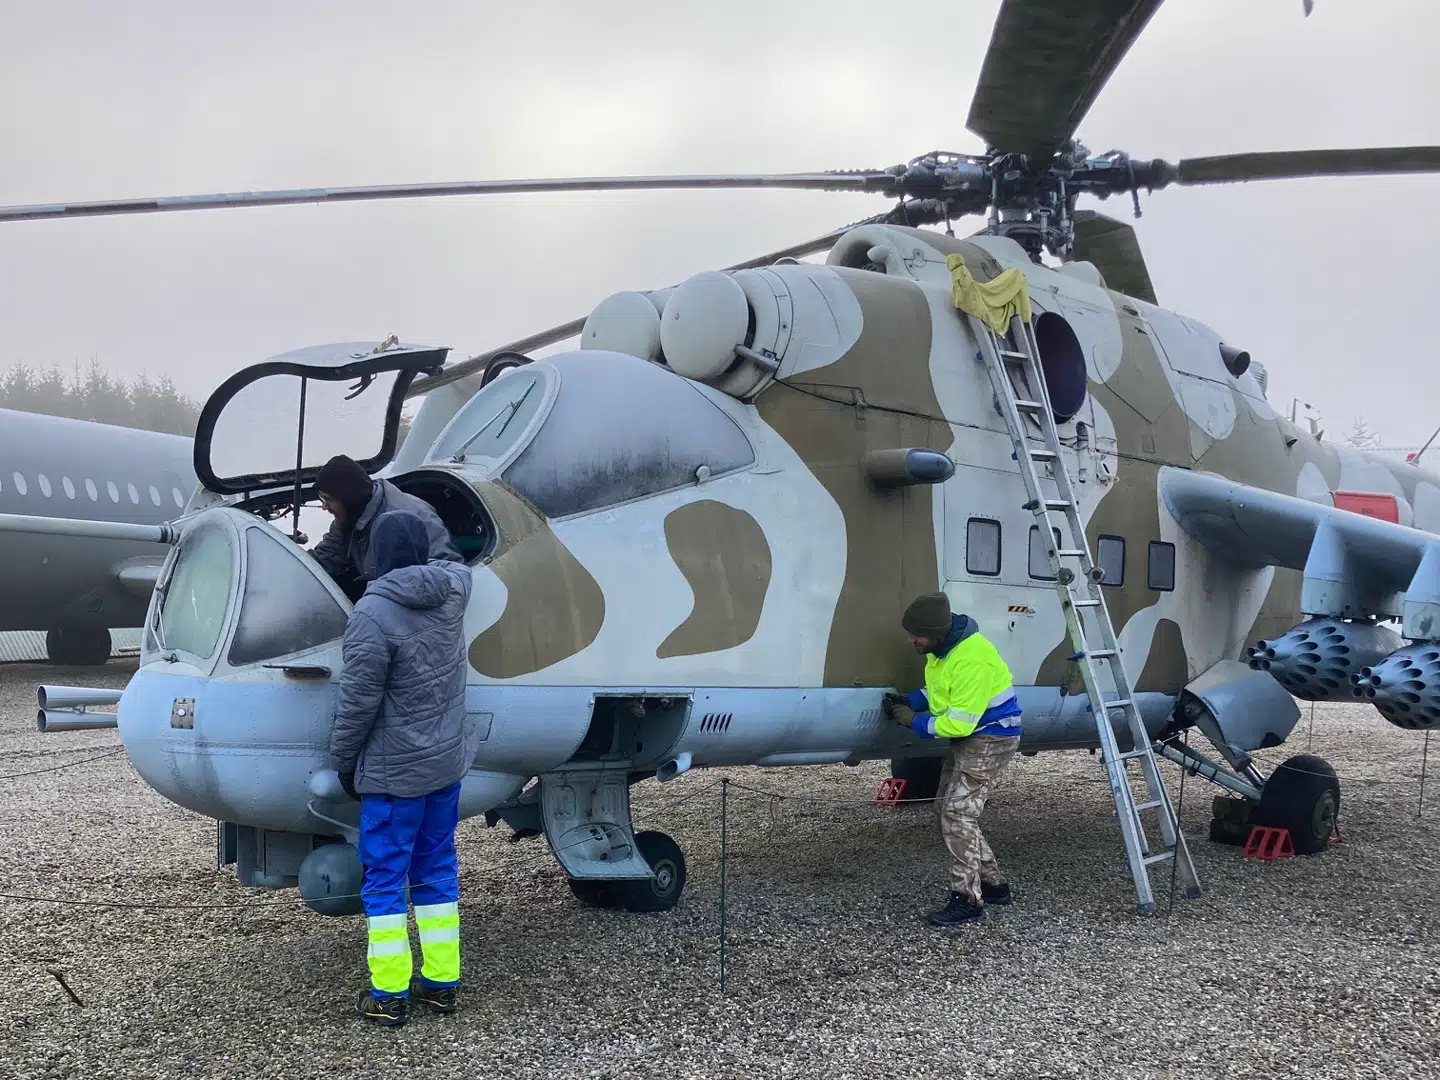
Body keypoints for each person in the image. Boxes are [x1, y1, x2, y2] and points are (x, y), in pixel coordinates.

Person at [328, 509, 476, 1027]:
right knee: (436, 872)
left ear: (375, 557)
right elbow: (458, 565)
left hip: (394, 778)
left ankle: (389, 993)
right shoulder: (454, 592)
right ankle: (441, 985)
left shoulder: (371, 614)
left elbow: (357, 702)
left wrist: (344, 761)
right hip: (444, 768)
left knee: (386, 881)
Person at [882, 592, 1023, 927]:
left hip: (991, 737)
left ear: (937, 632)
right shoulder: (942, 650)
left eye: (916, 634)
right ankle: (994, 885)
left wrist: (911, 721)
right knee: (947, 807)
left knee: (958, 813)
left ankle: (968, 900)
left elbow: (958, 722)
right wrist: (914, 699)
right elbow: (947, 693)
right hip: (974, 737)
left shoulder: (971, 659)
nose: (910, 639)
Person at [311, 454, 462, 601]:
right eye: (322, 499)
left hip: (413, 601)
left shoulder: (409, 519)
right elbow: (327, 556)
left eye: (328, 499)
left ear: (348, 497)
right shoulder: (348, 517)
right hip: (383, 592)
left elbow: (449, 574)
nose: (324, 506)